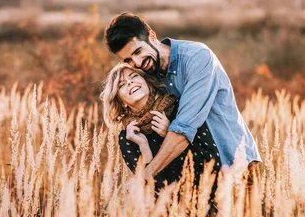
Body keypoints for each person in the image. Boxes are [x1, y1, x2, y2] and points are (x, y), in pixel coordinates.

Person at [104, 12, 262, 180]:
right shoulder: (149, 73)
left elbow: (183, 129)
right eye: (128, 60)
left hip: (234, 161)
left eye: (138, 51)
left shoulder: (197, 57)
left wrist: (145, 177)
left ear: (151, 35)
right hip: (200, 177)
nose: (137, 63)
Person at [100, 62, 221, 217]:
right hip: (165, 216)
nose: (130, 84)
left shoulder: (180, 110)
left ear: (145, 80)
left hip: (205, 204)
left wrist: (171, 133)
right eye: (122, 85)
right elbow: (149, 186)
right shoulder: (128, 136)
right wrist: (144, 146)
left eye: (133, 77)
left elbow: (211, 159)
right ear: (119, 100)